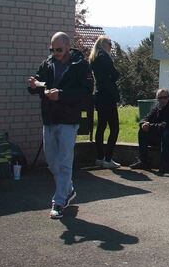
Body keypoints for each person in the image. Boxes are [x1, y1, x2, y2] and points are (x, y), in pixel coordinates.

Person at [27, 32, 92, 219]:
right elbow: (39, 82)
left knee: (64, 162)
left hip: (68, 120)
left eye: (59, 50)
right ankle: (68, 188)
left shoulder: (80, 65)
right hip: (49, 118)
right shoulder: (47, 63)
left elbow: (86, 92)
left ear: (68, 47)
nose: (55, 53)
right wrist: (33, 85)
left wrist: (61, 95)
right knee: (51, 161)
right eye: (52, 49)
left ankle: (59, 201)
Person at [130, 89, 169, 175]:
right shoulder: (157, 107)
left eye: (165, 97)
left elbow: (166, 125)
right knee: (142, 131)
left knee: (166, 133)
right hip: (159, 135)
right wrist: (143, 124)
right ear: (157, 98)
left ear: (168, 97)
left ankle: (165, 165)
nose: (163, 100)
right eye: (160, 98)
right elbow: (147, 117)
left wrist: (150, 126)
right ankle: (143, 161)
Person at [89, 35, 121, 169]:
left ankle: (100, 157)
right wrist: (112, 78)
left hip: (99, 95)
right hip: (108, 96)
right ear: (103, 44)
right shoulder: (105, 57)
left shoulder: (94, 58)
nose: (111, 46)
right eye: (109, 43)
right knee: (114, 128)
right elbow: (115, 74)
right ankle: (108, 158)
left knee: (101, 126)